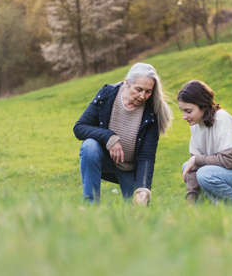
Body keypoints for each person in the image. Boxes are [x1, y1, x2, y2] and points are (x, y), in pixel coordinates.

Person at [73, 63, 172, 204]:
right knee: (89, 146)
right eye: (139, 89)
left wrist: (143, 188)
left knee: (137, 212)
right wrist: (109, 137)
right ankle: (90, 204)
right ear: (127, 83)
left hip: (129, 169)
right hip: (104, 160)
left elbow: (147, 156)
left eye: (148, 91)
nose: (143, 96)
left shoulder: (152, 113)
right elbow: (80, 127)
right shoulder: (107, 94)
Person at [177, 80, 232, 208]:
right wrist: (191, 201)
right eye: (182, 111)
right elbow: (194, 167)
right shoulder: (195, 125)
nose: (184, 116)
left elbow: (229, 160)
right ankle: (207, 214)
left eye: (188, 111)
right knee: (187, 167)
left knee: (205, 174)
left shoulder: (222, 119)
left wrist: (197, 159)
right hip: (229, 172)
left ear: (203, 106)